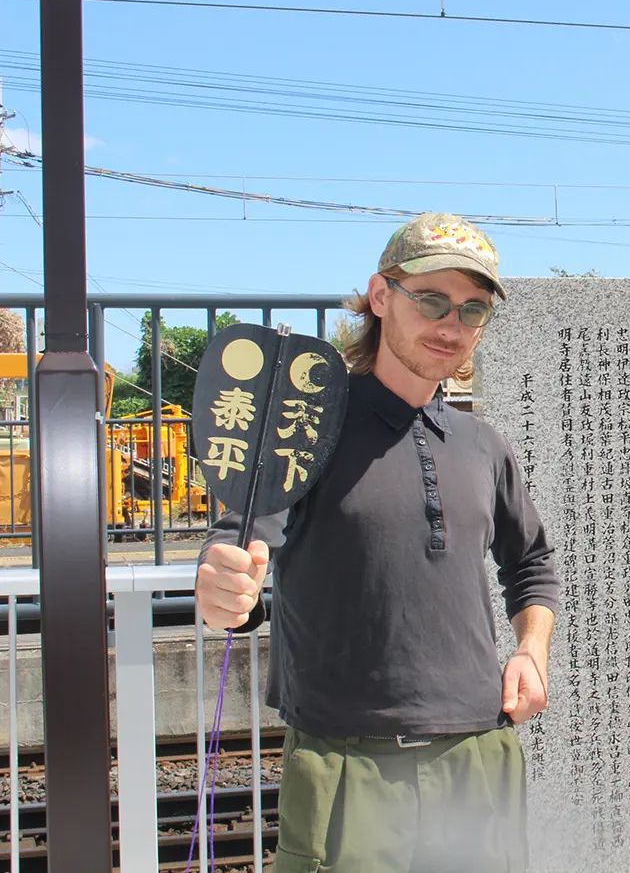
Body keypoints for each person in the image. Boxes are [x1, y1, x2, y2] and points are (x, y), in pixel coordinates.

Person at [195, 213, 558, 873]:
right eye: (432, 300)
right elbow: (242, 539)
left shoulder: (484, 444)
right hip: (346, 760)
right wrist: (225, 584)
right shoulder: (306, 429)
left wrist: (532, 650)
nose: (451, 325)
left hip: (479, 753)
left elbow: (531, 562)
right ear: (381, 295)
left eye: (472, 309)